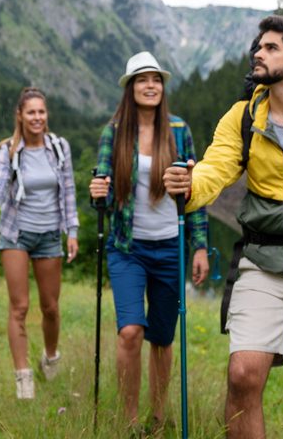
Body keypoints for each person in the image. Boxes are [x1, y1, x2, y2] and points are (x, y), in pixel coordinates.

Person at [165, 15, 283, 439]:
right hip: (260, 261)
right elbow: (215, 168)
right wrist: (190, 186)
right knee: (243, 374)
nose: (257, 54)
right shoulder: (243, 117)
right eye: (257, 47)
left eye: (270, 48)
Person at [89, 51, 210, 432]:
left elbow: (195, 191)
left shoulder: (179, 131)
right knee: (130, 331)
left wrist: (200, 245)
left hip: (170, 248)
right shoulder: (114, 131)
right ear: (130, 88)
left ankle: (158, 416)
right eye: (142, 79)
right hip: (127, 248)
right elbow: (105, 195)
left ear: (162, 87)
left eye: (156, 79)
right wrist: (97, 192)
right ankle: (130, 420)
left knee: (162, 336)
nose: (150, 85)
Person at [0, 86, 79, 400]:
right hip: (16, 234)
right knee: (19, 308)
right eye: (31, 112)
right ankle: (23, 379)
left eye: (41, 112)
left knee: (51, 308)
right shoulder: (9, 151)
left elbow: (69, 191)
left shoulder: (59, 148)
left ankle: (50, 355)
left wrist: (71, 230)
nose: (37, 118)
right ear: (19, 115)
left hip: (49, 236)